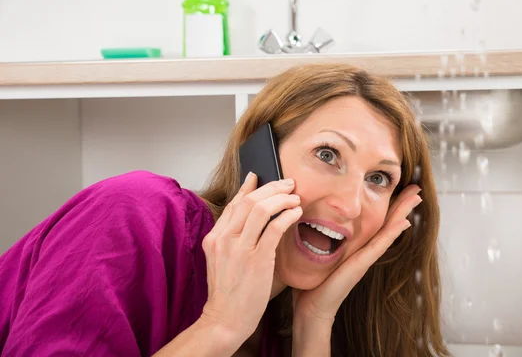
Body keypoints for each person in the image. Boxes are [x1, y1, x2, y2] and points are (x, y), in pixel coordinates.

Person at [0, 63, 449, 357]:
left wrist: (315, 322)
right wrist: (220, 325)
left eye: (378, 179)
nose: (350, 205)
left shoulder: (288, 322)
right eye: (328, 155)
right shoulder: (132, 213)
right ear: (259, 154)